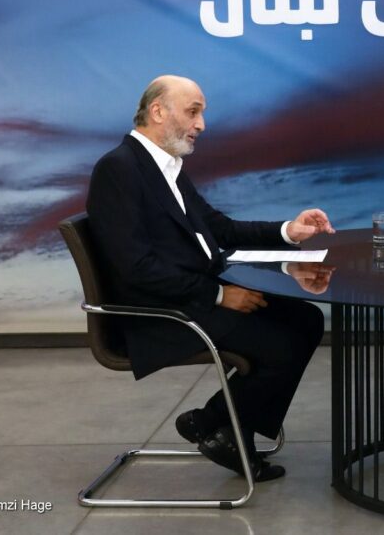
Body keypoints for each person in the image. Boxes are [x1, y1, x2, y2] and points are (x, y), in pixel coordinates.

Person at [86, 75, 335, 482]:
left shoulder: (165, 166)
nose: (201, 124)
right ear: (157, 111)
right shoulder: (119, 169)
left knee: (306, 319)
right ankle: (222, 427)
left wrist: (289, 230)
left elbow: (219, 227)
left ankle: (217, 425)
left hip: (190, 298)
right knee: (281, 345)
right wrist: (218, 295)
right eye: (193, 112)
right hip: (160, 314)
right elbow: (135, 267)